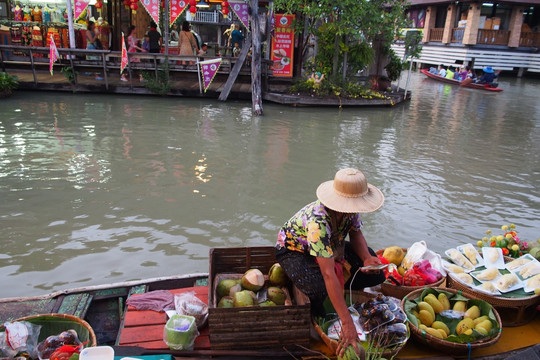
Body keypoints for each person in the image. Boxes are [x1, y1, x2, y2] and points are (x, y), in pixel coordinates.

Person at [275, 168, 385, 358]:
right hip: (295, 250)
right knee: (320, 288)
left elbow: (356, 233)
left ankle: (338, 293)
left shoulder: (350, 211)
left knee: (377, 272)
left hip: (331, 246)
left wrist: (366, 258)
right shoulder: (318, 222)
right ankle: (329, 301)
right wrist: (347, 322)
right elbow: (328, 274)